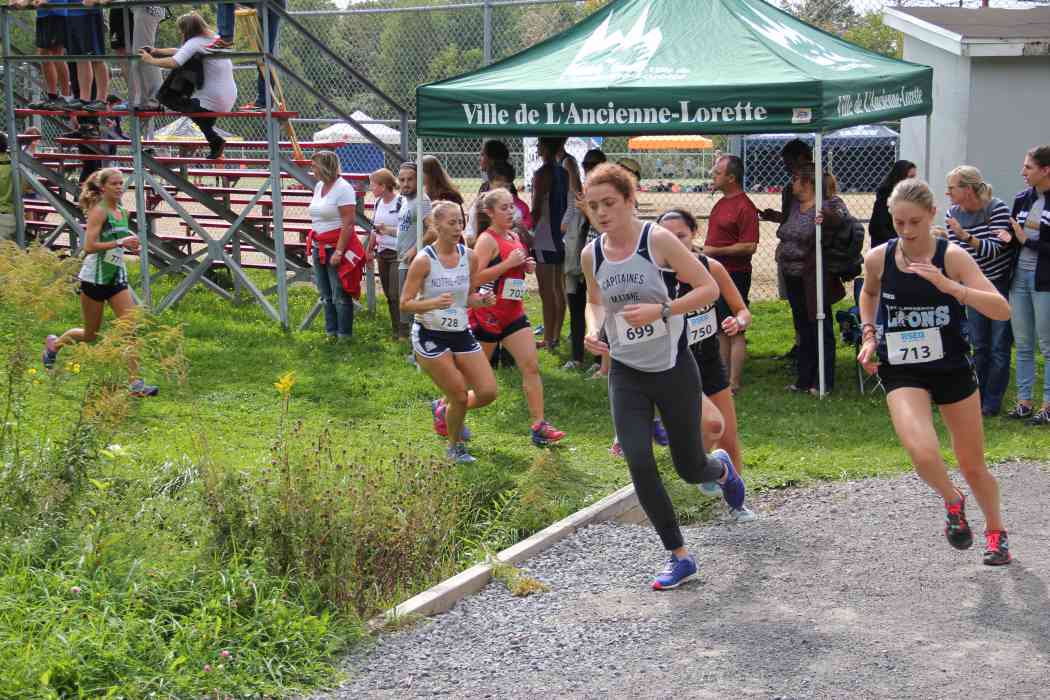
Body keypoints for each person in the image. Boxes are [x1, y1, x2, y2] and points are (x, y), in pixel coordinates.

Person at [581, 163, 746, 590]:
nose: (601, 213)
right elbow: (595, 301)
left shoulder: (656, 240)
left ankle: (722, 469)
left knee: (690, 467)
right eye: (593, 206)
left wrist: (662, 310)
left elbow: (707, 289)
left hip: (673, 367)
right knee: (638, 460)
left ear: (630, 199)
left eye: (609, 204)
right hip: (627, 372)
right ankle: (679, 555)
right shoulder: (591, 253)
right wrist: (592, 329)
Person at [857, 177, 1013, 566]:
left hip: (951, 368)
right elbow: (869, 292)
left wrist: (950, 287)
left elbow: (1001, 310)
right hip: (902, 369)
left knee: (973, 464)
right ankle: (952, 499)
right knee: (921, 452)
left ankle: (996, 532)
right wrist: (869, 333)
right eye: (899, 223)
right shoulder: (879, 257)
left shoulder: (953, 257)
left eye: (915, 222)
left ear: (931, 215)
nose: (907, 231)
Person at [659, 208, 756, 523]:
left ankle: (737, 504)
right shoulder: (652, 275)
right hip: (673, 366)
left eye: (681, 236)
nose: (674, 243)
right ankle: (700, 467)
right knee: (712, 426)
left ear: (694, 235)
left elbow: (743, 310)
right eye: (667, 237)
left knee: (729, 437)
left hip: (709, 361)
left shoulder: (709, 267)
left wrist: (735, 322)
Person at [41, 168, 159, 397]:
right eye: (114, 183)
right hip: (94, 279)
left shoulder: (122, 211)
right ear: (103, 187)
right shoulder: (99, 211)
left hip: (116, 277)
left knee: (130, 328)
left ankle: (135, 384)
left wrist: (130, 245)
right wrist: (119, 243)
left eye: (121, 183)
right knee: (90, 335)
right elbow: (89, 247)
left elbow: (118, 242)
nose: (119, 187)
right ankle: (53, 346)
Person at [400, 201, 499, 463]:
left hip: (459, 331)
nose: (458, 227)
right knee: (458, 394)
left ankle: (443, 409)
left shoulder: (470, 256)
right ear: (437, 225)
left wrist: (481, 300)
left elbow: (465, 297)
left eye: (461, 221)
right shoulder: (424, 261)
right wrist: (432, 303)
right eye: (451, 222)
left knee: (488, 392)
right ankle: (454, 448)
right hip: (429, 334)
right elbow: (405, 303)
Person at [470, 188, 566, 447]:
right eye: (504, 208)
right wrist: (507, 264)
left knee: (531, 367)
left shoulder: (515, 236)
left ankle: (539, 425)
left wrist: (526, 266)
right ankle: (445, 408)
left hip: (513, 313)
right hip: (488, 314)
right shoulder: (486, 240)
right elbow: (475, 278)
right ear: (489, 212)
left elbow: (513, 268)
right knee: (477, 379)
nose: (510, 211)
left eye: (511, 206)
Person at [943, 166, 1015, 417]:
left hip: (998, 285)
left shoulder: (997, 208)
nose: (947, 193)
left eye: (951, 188)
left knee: (998, 345)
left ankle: (992, 401)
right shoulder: (952, 213)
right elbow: (957, 255)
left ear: (968, 189)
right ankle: (978, 396)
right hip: (971, 289)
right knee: (979, 345)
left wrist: (967, 236)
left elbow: (996, 250)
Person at [776, 164, 847, 394]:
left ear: (807, 182)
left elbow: (840, 220)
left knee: (820, 328)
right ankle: (803, 379)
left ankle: (823, 381)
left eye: (795, 179)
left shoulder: (829, 205)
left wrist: (825, 216)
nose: (792, 184)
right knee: (803, 329)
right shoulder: (796, 206)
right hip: (793, 276)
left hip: (815, 278)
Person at [139, 12, 237, 160]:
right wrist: (157, 51)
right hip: (228, 97)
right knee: (199, 117)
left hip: (212, 98)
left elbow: (174, 62)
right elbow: (182, 51)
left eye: (181, 30)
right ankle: (214, 140)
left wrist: (150, 60)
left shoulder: (195, 42)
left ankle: (214, 139)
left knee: (166, 97)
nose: (180, 33)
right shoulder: (215, 39)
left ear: (187, 30)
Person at [999, 145, 1050, 425]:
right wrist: (1006, 238)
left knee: (1047, 344)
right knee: (1024, 343)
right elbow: (1013, 236)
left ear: (1045, 170)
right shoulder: (1022, 198)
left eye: (1028, 167)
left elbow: (1027, 239)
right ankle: (1024, 403)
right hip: (1018, 279)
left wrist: (1024, 240)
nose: (1023, 172)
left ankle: (1048, 405)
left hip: (1044, 281)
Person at [703, 154, 759, 394]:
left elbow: (749, 245)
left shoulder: (744, 206)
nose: (713, 176)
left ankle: (734, 381)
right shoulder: (721, 202)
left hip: (735, 274)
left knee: (735, 327)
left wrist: (714, 251)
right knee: (720, 327)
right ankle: (723, 378)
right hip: (715, 272)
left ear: (731, 178)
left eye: (717, 173)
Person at [761, 139, 813, 361]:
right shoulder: (791, 188)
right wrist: (776, 217)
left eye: (788, 161)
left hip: (806, 256)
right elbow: (791, 219)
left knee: (806, 305)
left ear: (801, 158)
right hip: (792, 253)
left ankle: (808, 348)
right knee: (798, 304)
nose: (785, 166)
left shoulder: (811, 183)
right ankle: (802, 345)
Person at [306, 151, 361, 342]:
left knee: (340, 293)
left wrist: (339, 251)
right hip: (318, 244)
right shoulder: (319, 186)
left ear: (324, 166)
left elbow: (348, 222)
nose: (311, 169)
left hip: (336, 246)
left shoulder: (343, 188)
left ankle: (344, 335)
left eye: (314, 166)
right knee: (325, 294)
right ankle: (331, 333)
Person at [563, 148, 606, 371]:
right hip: (577, 261)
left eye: (594, 165)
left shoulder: (608, 197)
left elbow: (608, 232)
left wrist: (588, 211)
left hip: (600, 264)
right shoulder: (581, 195)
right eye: (587, 166)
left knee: (600, 310)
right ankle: (577, 357)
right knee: (577, 308)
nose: (589, 169)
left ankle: (600, 361)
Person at [531, 136, 570, 351]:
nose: (537, 147)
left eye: (539, 144)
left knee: (547, 291)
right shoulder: (564, 172)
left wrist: (529, 228)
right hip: (561, 232)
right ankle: (555, 335)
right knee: (558, 287)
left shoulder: (542, 173)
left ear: (546, 146)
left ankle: (548, 338)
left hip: (545, 233)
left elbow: (537, 206)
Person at [365, 168, 403, 340]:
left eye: (373, 185)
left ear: (384, 185)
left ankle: (404, 331)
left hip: (398, 253)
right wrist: (369, 249)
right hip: (382, 252)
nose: (370, 188)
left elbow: (406, 229)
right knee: (389, 294)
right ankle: (396, 330)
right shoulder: (378, 203)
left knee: (396, 293)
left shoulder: (400, 202)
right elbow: (374, 228)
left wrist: (387, 230)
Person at [396, 162, 432, 341]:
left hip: (414, 260)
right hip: (403, 259)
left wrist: (414, 249)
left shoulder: (422, 200)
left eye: (410, 179)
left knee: (410, 302)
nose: (405, 183)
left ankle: (417, 341)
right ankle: (409, 339)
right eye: (402, 180)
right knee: (403, 300)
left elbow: (432, 230)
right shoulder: (404, 200)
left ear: (419, 180)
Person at [21, 0, 72, 110]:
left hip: (57, 12)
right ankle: (52, 96)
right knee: (43, 55)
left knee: (57, 54)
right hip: (42, 14)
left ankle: (66, 97)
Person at [869, 160, 917, 248]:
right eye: (910, 177)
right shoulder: (885, 196)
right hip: (887, 246)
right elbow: (877, 228)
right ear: (900, 177)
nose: (913, 181)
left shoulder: (911, 196)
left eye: (914, 177)